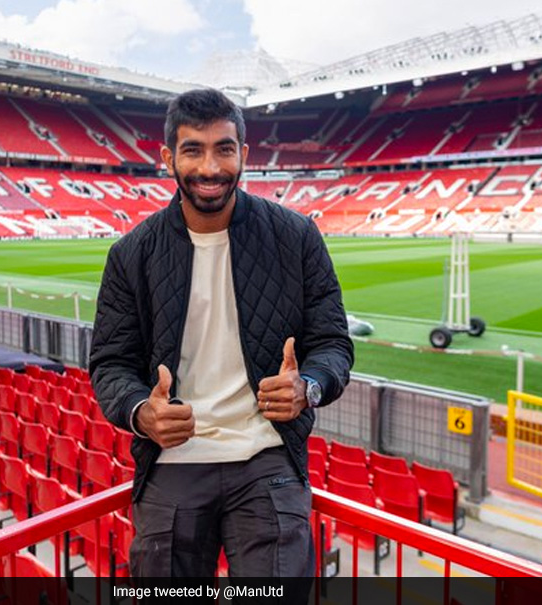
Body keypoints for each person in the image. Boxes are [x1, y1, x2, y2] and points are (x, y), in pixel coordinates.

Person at [89, 88, 354, 588]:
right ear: (168, 157)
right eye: (193, 150)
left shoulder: (296, 236)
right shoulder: (131, 255)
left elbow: (333, 344)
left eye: (224, 149)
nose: (210, 167)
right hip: (173, 460)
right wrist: (142, 413)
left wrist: (308, 387)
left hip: (266, 456)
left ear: (244, 154)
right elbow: (110, 363)